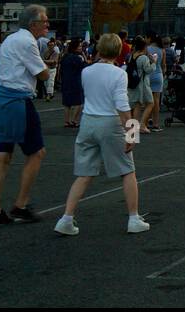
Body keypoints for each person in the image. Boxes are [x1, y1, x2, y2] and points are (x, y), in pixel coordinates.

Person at [53, 33, 151, 236]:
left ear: (98, 49)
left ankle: (66, 218)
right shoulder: (119, 74)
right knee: (127, 170)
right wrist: (132, 133)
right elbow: (123, 106)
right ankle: (133, 217)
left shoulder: (87, 71)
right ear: (118, 52)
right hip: (110, 122)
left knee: (85, 173)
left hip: (88, 121)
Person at [0, 5, 52, 226]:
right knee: (37, 152)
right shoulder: (27, 42)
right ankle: (20, 205)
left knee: (1, 156)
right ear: (33, 24)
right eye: (44, 21)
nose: (47, 25)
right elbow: (42, 74)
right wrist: (49, 65)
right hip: (18, 101)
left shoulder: (10, 40)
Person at [129, 37, 156, 132]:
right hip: (143, 84)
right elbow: (148, 70)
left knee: (137, 104)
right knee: (150, 103)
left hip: (133, 83)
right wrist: (154, 62)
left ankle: (135, 127)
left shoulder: (132, 55)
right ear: (144, 47)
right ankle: (142, 125)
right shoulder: (143, 57)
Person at [60, 38, 86, 128]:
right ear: (75, 47)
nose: (81, 47)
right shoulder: (78, 58)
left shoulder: (65, 57)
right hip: (76, 81)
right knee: (78, 102)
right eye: (79, 46)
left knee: (67, 103)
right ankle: (74, 120)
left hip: (66, 80)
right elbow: (84, 67)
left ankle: (66, 121)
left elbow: (61, 69)